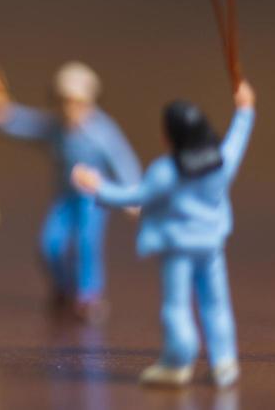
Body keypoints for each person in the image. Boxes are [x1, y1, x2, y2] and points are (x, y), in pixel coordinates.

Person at [72, 82, 255, 388]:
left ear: (170, 136)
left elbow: (134, 196)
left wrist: (97, 186)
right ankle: (224, 361)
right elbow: (237, 141)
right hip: (211, 246)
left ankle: (178, 360)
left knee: (176, 305)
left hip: (179, 250)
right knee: (216, 303)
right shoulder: (220, 164)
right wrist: (245, 111)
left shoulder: (165, 172)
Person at [0, 62, 140, 321]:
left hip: (93, 199)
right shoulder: (55, 127)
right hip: (64, 197)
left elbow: (123, 160)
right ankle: (65, 287)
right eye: (65, 102)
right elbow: (27, 124)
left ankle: (89, 296)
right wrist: (3, 116)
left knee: (86, 244)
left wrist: (133, 196)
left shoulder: (102, 132)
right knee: (50, 245)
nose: (70, 109)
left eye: (77, 102)